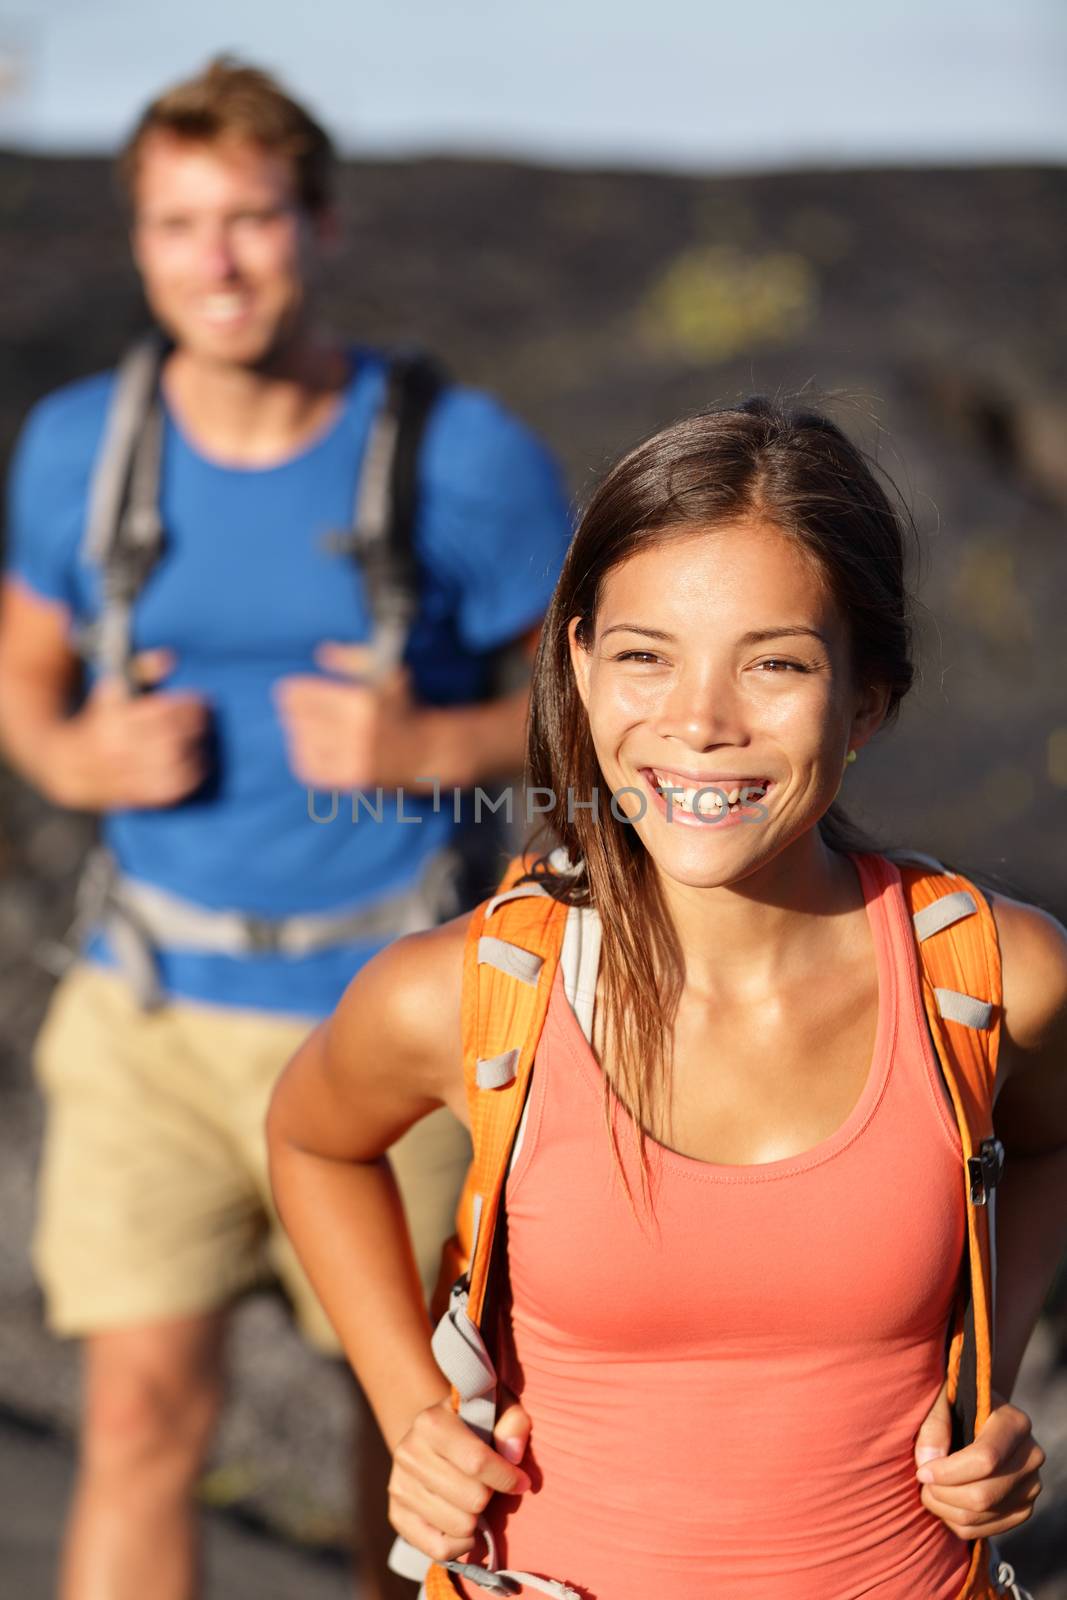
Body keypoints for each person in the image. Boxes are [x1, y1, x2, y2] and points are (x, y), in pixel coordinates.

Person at [267, 399, 1067, 1600]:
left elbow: (1051, 1140)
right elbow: (310, 1140)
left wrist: (980, 1381)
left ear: (867, 698)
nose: (697, 721)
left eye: (775, 662)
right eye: (644, 654)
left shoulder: (994, 975)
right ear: (578, 666)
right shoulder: (473, 993)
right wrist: (413, 1413)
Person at [0, 56, 572, 1600]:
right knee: (133, 1422)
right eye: (179, 225)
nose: (218, 261)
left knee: (420, 1454)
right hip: (148, 1017)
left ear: (317, 227)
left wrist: (427, 741)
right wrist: (71, 754)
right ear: (138, 240)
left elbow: (605, 708)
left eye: (250, 219)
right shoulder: (76, 450)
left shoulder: (463, 458)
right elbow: (25, 679)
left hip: (398, 1031)